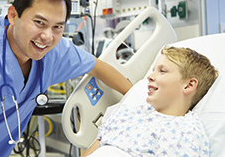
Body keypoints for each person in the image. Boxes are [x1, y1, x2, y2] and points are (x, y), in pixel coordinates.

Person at [0, 0, 133, 156]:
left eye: (58, 26)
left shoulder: (54, 51)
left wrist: (138, 100)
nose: (47, 37)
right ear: (12, 15)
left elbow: (98, 67)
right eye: (39, 22)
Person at [81, 46, 218, 157]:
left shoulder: (184, 130)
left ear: (189, 85)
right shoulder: (128, 114)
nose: (150, 77)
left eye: (162, 71)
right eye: (153, 70)